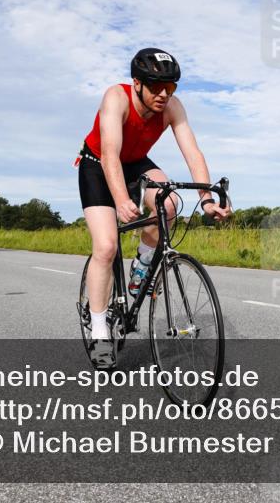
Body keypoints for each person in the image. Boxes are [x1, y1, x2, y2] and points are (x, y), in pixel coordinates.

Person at [77, 48, 231, 347]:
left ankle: (142, 265)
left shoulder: (173, 107)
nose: (164, 94)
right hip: (97, 164)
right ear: (137, 83)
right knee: (107, 247)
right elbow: (110, 154)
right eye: (157, 87)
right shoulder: (116, 98)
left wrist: (207, 199)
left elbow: (193, 153)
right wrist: (121, 199)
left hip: (136, 162)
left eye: (170, 87)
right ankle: (99, 329)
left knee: (170, 203)